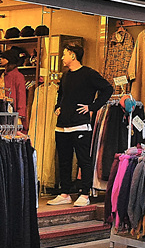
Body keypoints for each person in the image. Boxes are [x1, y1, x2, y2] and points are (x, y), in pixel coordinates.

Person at [48, 42, 113, 207]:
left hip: (80, 125)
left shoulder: (89, 74)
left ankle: (85, 193)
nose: (62, 57)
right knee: (63, 160)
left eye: (64, 54)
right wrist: (58, 107)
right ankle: (65, 193)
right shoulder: (66, 75)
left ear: (73, 55)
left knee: (84, 160)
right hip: (62, 124)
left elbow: (107, 89)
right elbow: (61, 94)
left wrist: (92, 107)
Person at [0, 47, 28, 131]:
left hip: (11, 111)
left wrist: (20, 115)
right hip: (0, 108)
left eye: (3, 58)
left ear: (9, 59)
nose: (1, 59)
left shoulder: (18, 76)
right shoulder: (3, 75)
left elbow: (21, 96)